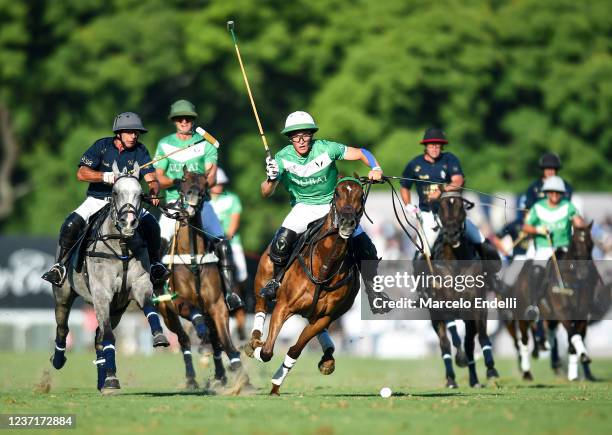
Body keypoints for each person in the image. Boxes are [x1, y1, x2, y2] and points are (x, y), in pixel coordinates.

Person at [259, 110, 391, 313]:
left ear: (312, 135)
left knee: (366, 247)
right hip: (303, 207)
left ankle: (374, 292)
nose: (301, 140)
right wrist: (270, 178)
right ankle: (275, 283)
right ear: (290, 138)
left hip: (333, 206)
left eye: (305, 135)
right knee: (280, 244)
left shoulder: (327, 148)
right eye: (296, 136)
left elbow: (361, 153)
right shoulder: (282, 158)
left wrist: (376, 167)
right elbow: (265, 192)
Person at [42, 112, 168, 286]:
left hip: (128, 203)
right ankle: (60, 266)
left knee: (152, 224)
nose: (134, 136)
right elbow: (81, 173)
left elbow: (151, 178)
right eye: (130, 132)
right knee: (71, 223)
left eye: (136, 132)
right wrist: (106, 177)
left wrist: (153, 192)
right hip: (98, 199)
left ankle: (154, 264)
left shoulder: (140, 151)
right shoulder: (102, 146)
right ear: (119, 133)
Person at [153, 99, 243, 311]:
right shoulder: (165, 144)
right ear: (174, 121)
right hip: (175, 202)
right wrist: (178, 182)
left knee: (221, 242)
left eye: (188, 118)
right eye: (180, 118)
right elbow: (159, 177)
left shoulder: (206, 144)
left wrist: (196, 185)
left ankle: (229, 293)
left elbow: (211, 177)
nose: (184, 121)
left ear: (193, 120)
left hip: (201, 202)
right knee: (158, 243)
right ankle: (157, 289)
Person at [399, 128, 498, 260]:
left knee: (479, 238)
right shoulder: (415, 164)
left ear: (442, 146)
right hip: (429, 214)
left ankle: (490, 275)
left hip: (453, 214)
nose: (435, 148)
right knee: (424, 251)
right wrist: (408, 206)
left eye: (438, 146)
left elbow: (458, 180)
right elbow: (404, 187)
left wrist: (440, 190)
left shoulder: (449, 159)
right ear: (425, 146)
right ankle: (424, 279)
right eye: (431, 145)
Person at [522, 175, 585, 297]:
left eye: (558, 192)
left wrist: (580, 223)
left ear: (562, 193)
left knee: (583, 268)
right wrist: (538, 229)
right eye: (551, 192)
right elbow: (526, 227)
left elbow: (578, 222)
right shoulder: (538, 207)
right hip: (545, 248)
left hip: (565, 248)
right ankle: (534, 305)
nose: (555, 194)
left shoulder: (568, 206)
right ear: (546, 192)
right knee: (536, 271)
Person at [209, 168, 249, 286]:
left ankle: (247, 298)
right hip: (209, 243)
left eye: (221, 184)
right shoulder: (204, 201)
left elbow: (234, 221)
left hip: (231, 241)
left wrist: (225, 237)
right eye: (216, 184)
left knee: (242, 273)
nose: (219, 186)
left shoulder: (232, 198)